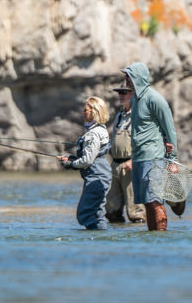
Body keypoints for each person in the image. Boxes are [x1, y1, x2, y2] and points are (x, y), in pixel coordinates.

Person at [121, 62, 181, 231]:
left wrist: (172, 160)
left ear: (137, 77)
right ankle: (152, 237)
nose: (125, 79)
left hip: (154, 158)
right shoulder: (134, 99)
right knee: (147, 202)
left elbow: (170, 130)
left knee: (155, 201)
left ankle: (161, 237)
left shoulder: (155, 99)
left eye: (128, 75)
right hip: (138, 158)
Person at [58, 96, 112, 230]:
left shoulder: (93, 134)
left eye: (85, 110)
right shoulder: (100, 129)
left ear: (94, 111)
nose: (83, 113)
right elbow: (91, 156)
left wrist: (71, 164)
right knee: (97, 212)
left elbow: (87, 160)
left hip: (96, 177)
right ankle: (101, 237)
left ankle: (95, 237)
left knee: (85, 213)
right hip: (101, 176)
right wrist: (71, 158)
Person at [104, 85, 146, 224]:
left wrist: (133, 160)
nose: (121, 95)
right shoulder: (119, 115)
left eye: (124, 92)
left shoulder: (139, 115)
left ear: (133, 95)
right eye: (119, 93)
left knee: (136, 213)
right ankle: (117, 235)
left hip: (131, 166)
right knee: (111, 210)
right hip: (115, 165)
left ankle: (137, 234)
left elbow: (145, 142)